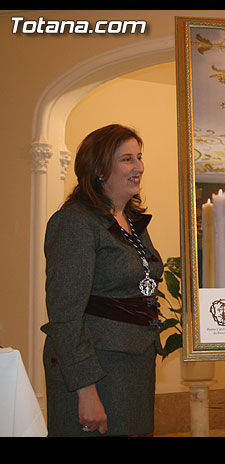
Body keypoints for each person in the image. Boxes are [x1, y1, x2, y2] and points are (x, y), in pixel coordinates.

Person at [41, 124, 163, 436]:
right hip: (94, 370)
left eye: (139, 157)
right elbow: (65, 314)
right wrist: (85, 389)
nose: (139, 167)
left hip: (133, 365)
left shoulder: (131, 222)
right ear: (98, 169)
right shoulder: (74, 222)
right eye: (127, 159)